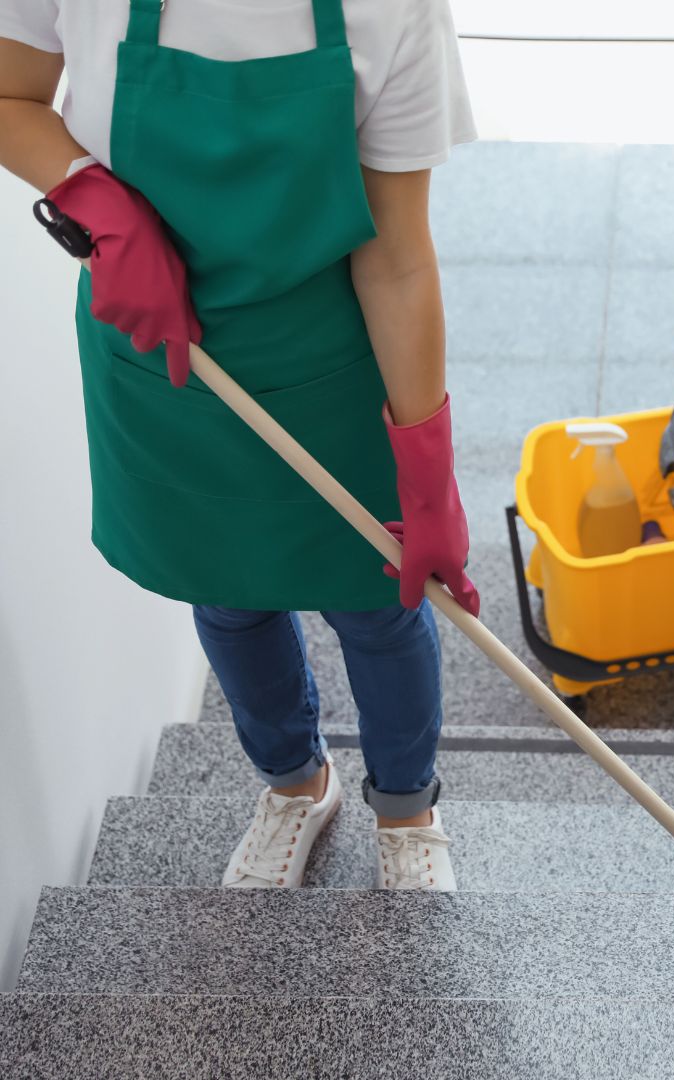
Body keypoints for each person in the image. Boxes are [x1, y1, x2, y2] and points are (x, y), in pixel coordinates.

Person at [0, 0, 480, 890]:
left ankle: (408, 809)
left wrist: (427, 470)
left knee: (378, 600)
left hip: (328, 358)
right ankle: (296, 785)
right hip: (163, 358)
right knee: (226, 591)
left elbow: (398, 256)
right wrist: (88, 192)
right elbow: (10, 93)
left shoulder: (393, 10)